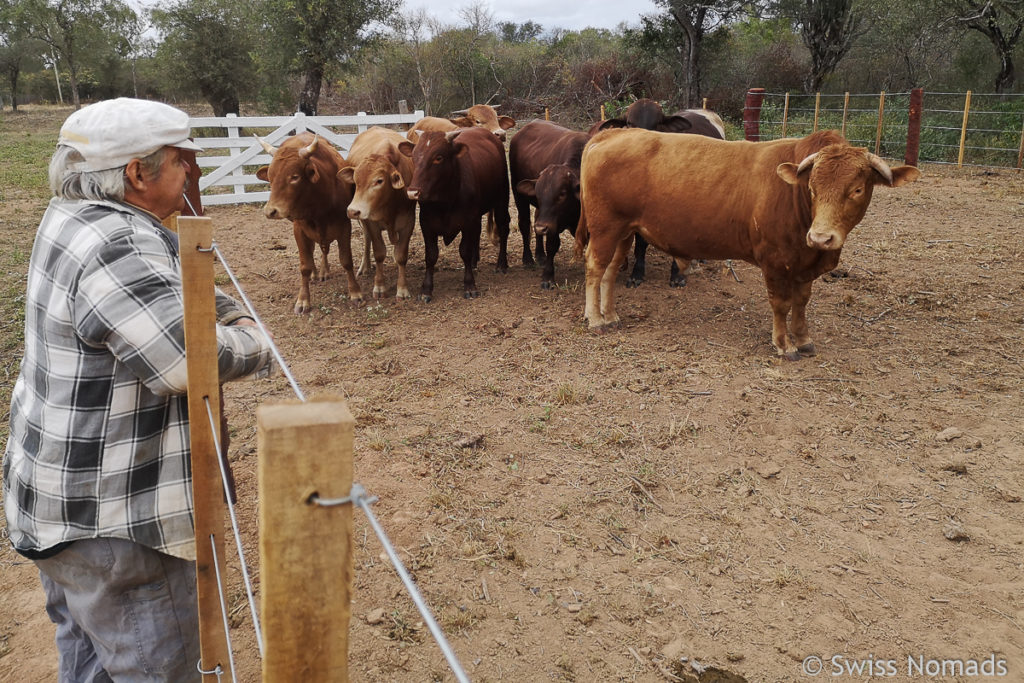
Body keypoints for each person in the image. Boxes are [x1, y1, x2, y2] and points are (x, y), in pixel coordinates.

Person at [2, 98, 276, 682]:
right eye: (181, 162)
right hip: (114, 522)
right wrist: (254, 338)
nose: (189, 176)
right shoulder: (116, 245)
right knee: (156, 666)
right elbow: (185, 361)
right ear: (137, 173)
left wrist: (218, 307)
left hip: (59, 502)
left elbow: (172, 282)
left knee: (86, 655)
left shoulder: (74, 214)